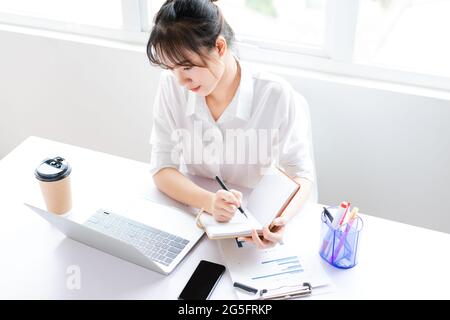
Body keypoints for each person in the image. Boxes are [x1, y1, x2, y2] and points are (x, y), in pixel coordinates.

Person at [146, 0, 314, 248]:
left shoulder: (275, 95)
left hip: (252, 231)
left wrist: (279, 221)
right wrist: (209, 201)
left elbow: (301, 175)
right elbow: (161, 169)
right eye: (172, 68)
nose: (181, 80)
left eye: (187, 66)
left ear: (220, 47)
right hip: (194, 223)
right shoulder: (171, 86)